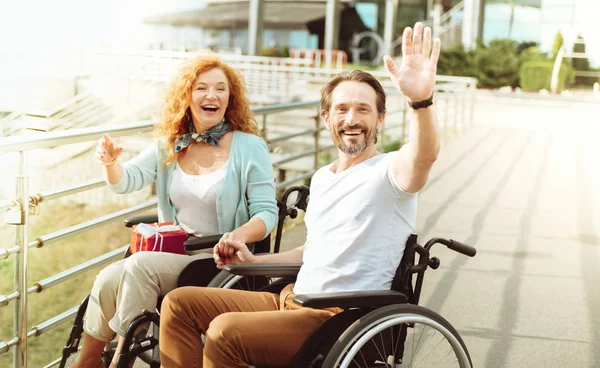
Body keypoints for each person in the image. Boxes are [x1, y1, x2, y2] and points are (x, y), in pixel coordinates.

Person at [158, 22, 441, 368]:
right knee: (178, 304)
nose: (351, 119)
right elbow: (312, 251)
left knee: (224, 333)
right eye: (341, 109)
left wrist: (420, 100)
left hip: (335, 317)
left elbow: (424, 155)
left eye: (363, 109)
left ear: (380, 119)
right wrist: (252, 262)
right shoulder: (323, 178)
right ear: (325, 118)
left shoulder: (390, 172)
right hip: (291, 299)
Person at [71, 55, 278, 368]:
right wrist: (111, 163)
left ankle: (120, 361)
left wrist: (237, 236)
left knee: (138, 266)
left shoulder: (249, 147)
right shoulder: (170, 145)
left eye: (220, 89)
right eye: (202, 88)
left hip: (219, 259)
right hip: (177, 251)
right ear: (187, 96)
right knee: (108, 277)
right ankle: (86, 362)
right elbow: (125, 182)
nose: (212, 95)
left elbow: (267, 213)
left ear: (229, 98)